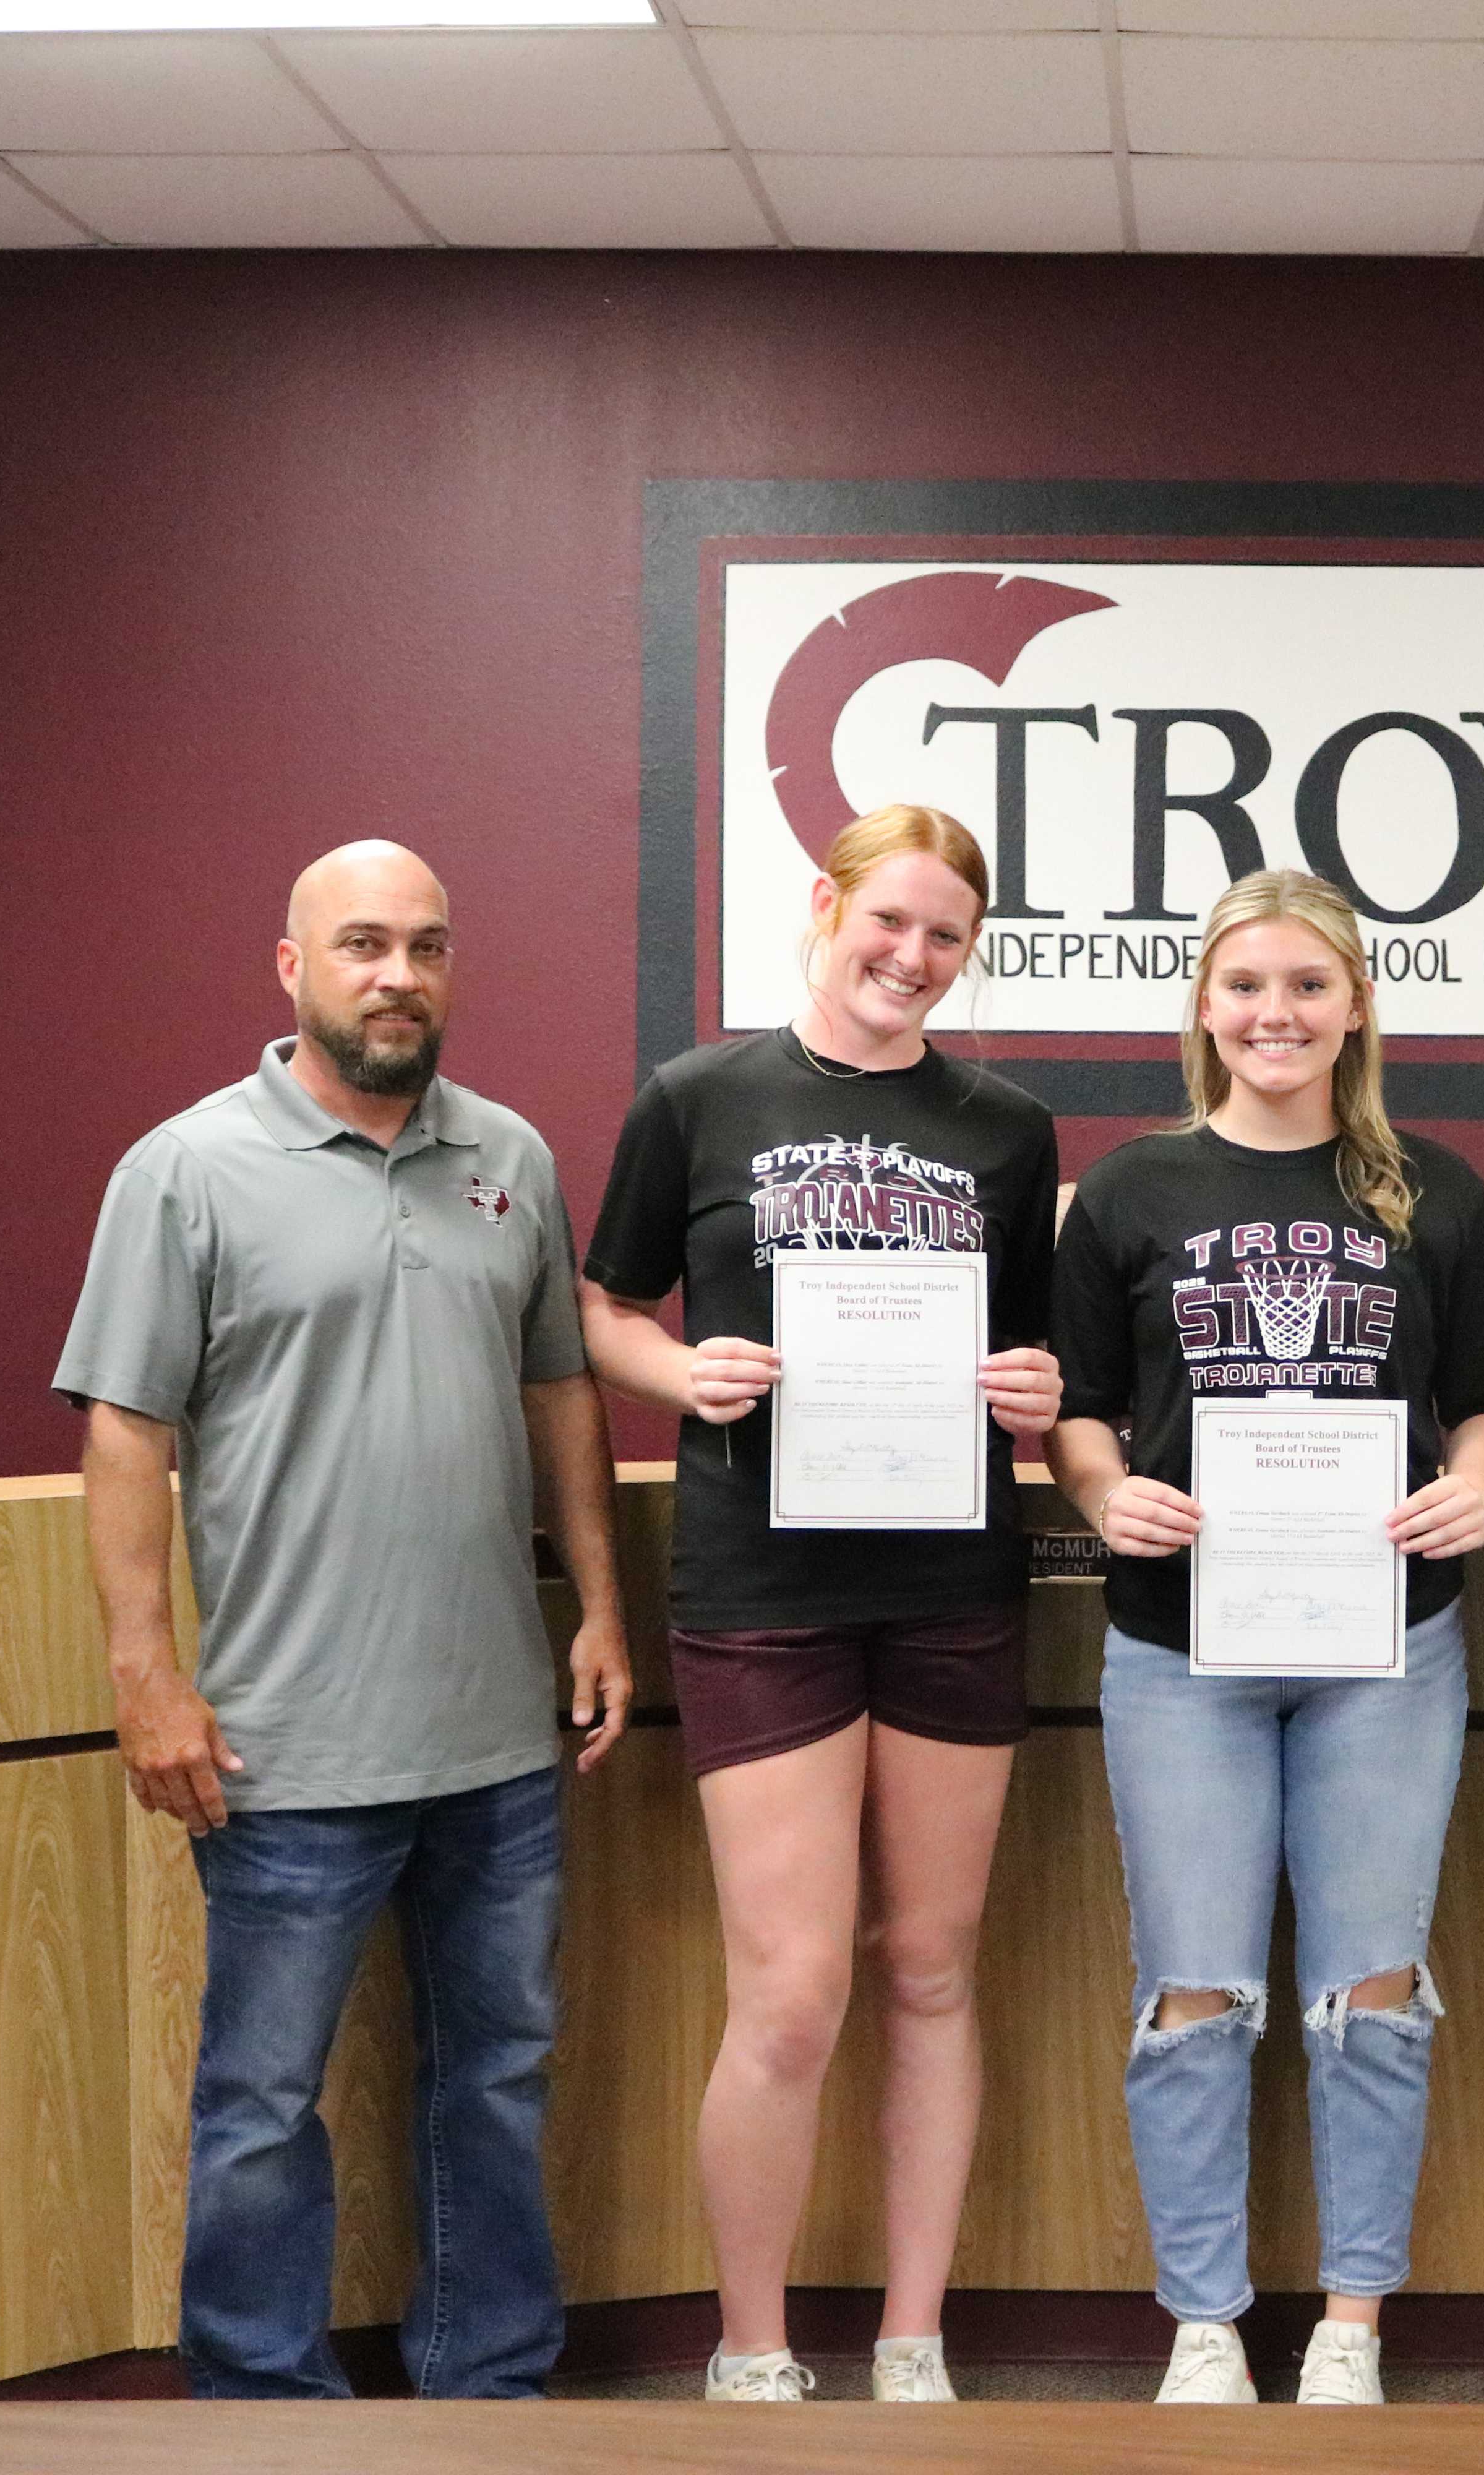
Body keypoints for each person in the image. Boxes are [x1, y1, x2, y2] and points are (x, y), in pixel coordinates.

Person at [54, 840, 630, 2403]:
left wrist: (598, 1604)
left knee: (498, 2082)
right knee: (260, 2099)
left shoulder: (509, 1152)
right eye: (365, 944)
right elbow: (126, 1432)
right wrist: (144, 1676)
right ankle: (259, 2409)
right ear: (292, 968)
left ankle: (489, 2386)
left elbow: (559, 1389)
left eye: (429, 946)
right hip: (282, 1747)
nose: (400, 974)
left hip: (498, 1742)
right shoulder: (183, 1168)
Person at [581, 804, 1061, 2407]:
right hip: (761, 1584)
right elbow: (601, 1308)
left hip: (952, 1585)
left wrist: (1036, 1388)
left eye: (946, 939)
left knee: (930, 1962)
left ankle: (913, 2340)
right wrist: (679, 1367)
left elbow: (1048, 1372)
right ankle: (754, 2349)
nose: (910, 959)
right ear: (825, 907)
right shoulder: (699, 1098)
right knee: (790, 1990)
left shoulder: (1006, 1125)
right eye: (891, 923)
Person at [1046, 868, 1484, 2411]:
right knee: (1195, 1989)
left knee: (1371, 1985)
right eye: (1246, 984)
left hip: (1386, 1643)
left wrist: (1478, 1482)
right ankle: (1202, 2321)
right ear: (1203, 1004)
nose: (1276, 1013)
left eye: (1309, 985)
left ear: (1357, 1005)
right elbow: (1075, 1409)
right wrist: (1104, 1488)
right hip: (1179, 1647)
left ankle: (1350, 2323)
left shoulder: (1435, 1190)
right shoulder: (1127, 1191)